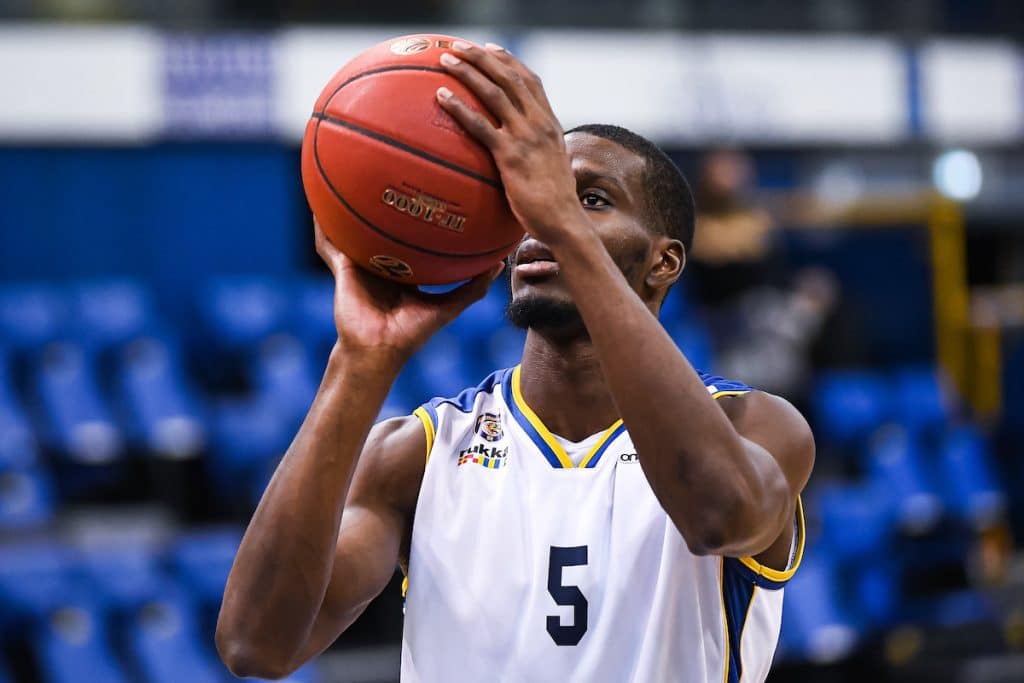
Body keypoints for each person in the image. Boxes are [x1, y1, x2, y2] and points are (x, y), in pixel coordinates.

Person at [216, 41, 814, 683]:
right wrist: (361, 361)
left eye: (590, 199)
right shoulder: (418, 456)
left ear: (662, 262)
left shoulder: (755, 426)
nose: (535, 217)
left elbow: (721, 514)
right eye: (525, 200)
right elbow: (258, 644)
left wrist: (561, 222)